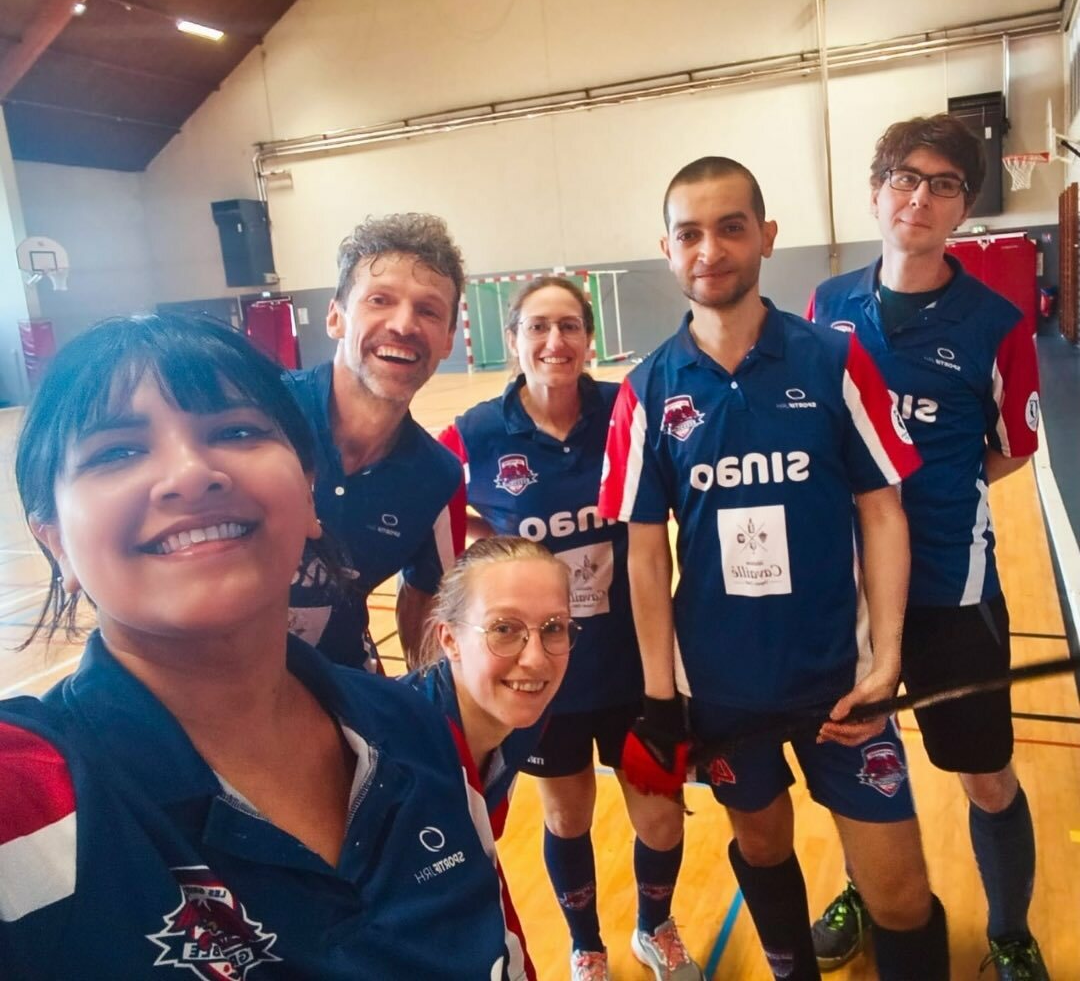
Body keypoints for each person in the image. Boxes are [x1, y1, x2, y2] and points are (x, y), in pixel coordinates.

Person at [0, 313, 511, 979]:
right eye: (116, 452)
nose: (190, 474)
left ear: (309, 492)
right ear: (55, 542)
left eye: (236, 431)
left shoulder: (420, 730)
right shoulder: (28, 807)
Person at [597, 156, 950, 980]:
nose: (709, 249)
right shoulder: (647, 390)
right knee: (761, 845)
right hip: (725, 692)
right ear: (667, 248)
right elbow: (644, 553)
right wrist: (660, 697)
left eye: (730, 228)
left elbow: (882, 510)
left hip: (842, 686)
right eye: (689, 233)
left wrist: (887, 659)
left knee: (900, 895)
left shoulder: (833, 359)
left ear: (766, 236)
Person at [807, 115, 1046, 980]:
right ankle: (863, 889)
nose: (919, 197)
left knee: (984, 775)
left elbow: (1012, 447)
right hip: (847, 591)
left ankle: (1009, 931)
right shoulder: (828, 305)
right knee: (855, 762)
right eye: (905, 178)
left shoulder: (997, 322)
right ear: (876, 193)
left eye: (943, 184)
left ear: (963, 208)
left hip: (953, 586)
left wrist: (931, 492)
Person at [440, 276, 702, 981]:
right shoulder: (477, 433)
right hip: (542, 675)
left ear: (589, 338)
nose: (554, 342)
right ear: (513, 340)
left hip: (635, 666)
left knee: (661, 818)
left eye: (569, 327)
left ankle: (654, 926)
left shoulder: (627, 409)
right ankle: (586, 945)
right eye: (538, 327)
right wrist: (491, 549)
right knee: (567, 817)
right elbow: (430, 504)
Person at [285, 213, 465, 670]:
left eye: (428, 310)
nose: (403, 325)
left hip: (341, 686)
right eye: (380, 300)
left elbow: (428, 602)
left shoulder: (436, 477)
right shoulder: (259, 413)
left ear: (448, 339)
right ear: (335, 317)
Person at [406, 535, 576, 981]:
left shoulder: (525, 713)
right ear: (450, 639)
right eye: (504, 629)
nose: (535, 660)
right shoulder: (397, 758)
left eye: (554, 628)